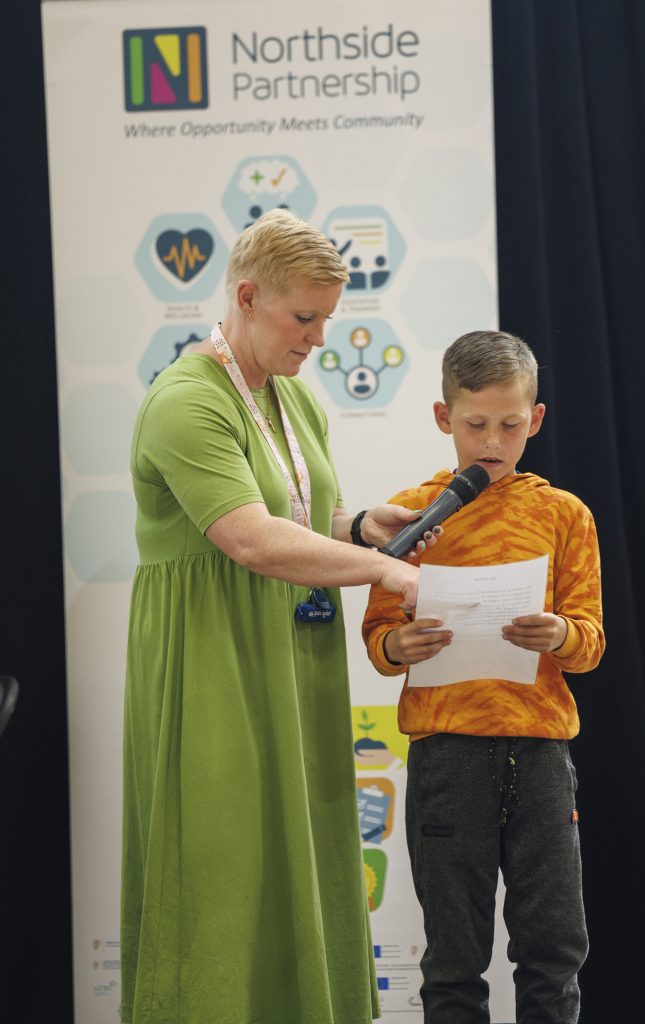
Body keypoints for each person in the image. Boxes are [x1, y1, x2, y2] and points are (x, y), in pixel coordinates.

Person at [121, 209, 438, 1024]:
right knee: (220, 864)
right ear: (247, 297)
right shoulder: (184, 401)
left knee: (299, 855)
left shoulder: (292, 398)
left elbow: (293, 513)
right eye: (304, 317)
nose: (318, 339)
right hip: (214, 660)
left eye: (327, 319)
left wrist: (361, 524)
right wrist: (385, 569)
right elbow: (249, 538)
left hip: (291, 657)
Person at [362, 331, 605, 1024]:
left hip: (540, 752)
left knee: (553, 951)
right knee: (452, 960)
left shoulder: (564, 515)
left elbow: (590, 642)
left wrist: (559, 634)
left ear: (536, 419)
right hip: (446, 756)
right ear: (444, 417)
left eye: (509, 425)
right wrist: (399, 643)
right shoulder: (410, 514)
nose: (492, 442)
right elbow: (378, 639)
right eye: (474, 425)